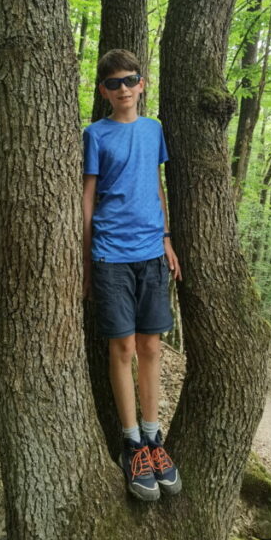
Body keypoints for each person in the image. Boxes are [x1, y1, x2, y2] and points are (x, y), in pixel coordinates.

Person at [83, 49, 183, 502]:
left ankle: (152, 437)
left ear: (142, 84)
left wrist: (165, 238)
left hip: (150, 253)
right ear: (104, 91)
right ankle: (131, 445)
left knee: (151, 347)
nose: (123, 88)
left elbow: (156, 185)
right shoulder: (94, 135)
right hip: (110, 255)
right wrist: (85, 258)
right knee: (121, 346)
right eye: (114, 83)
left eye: (131, 80)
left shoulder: (154, 130)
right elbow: (88, 199)